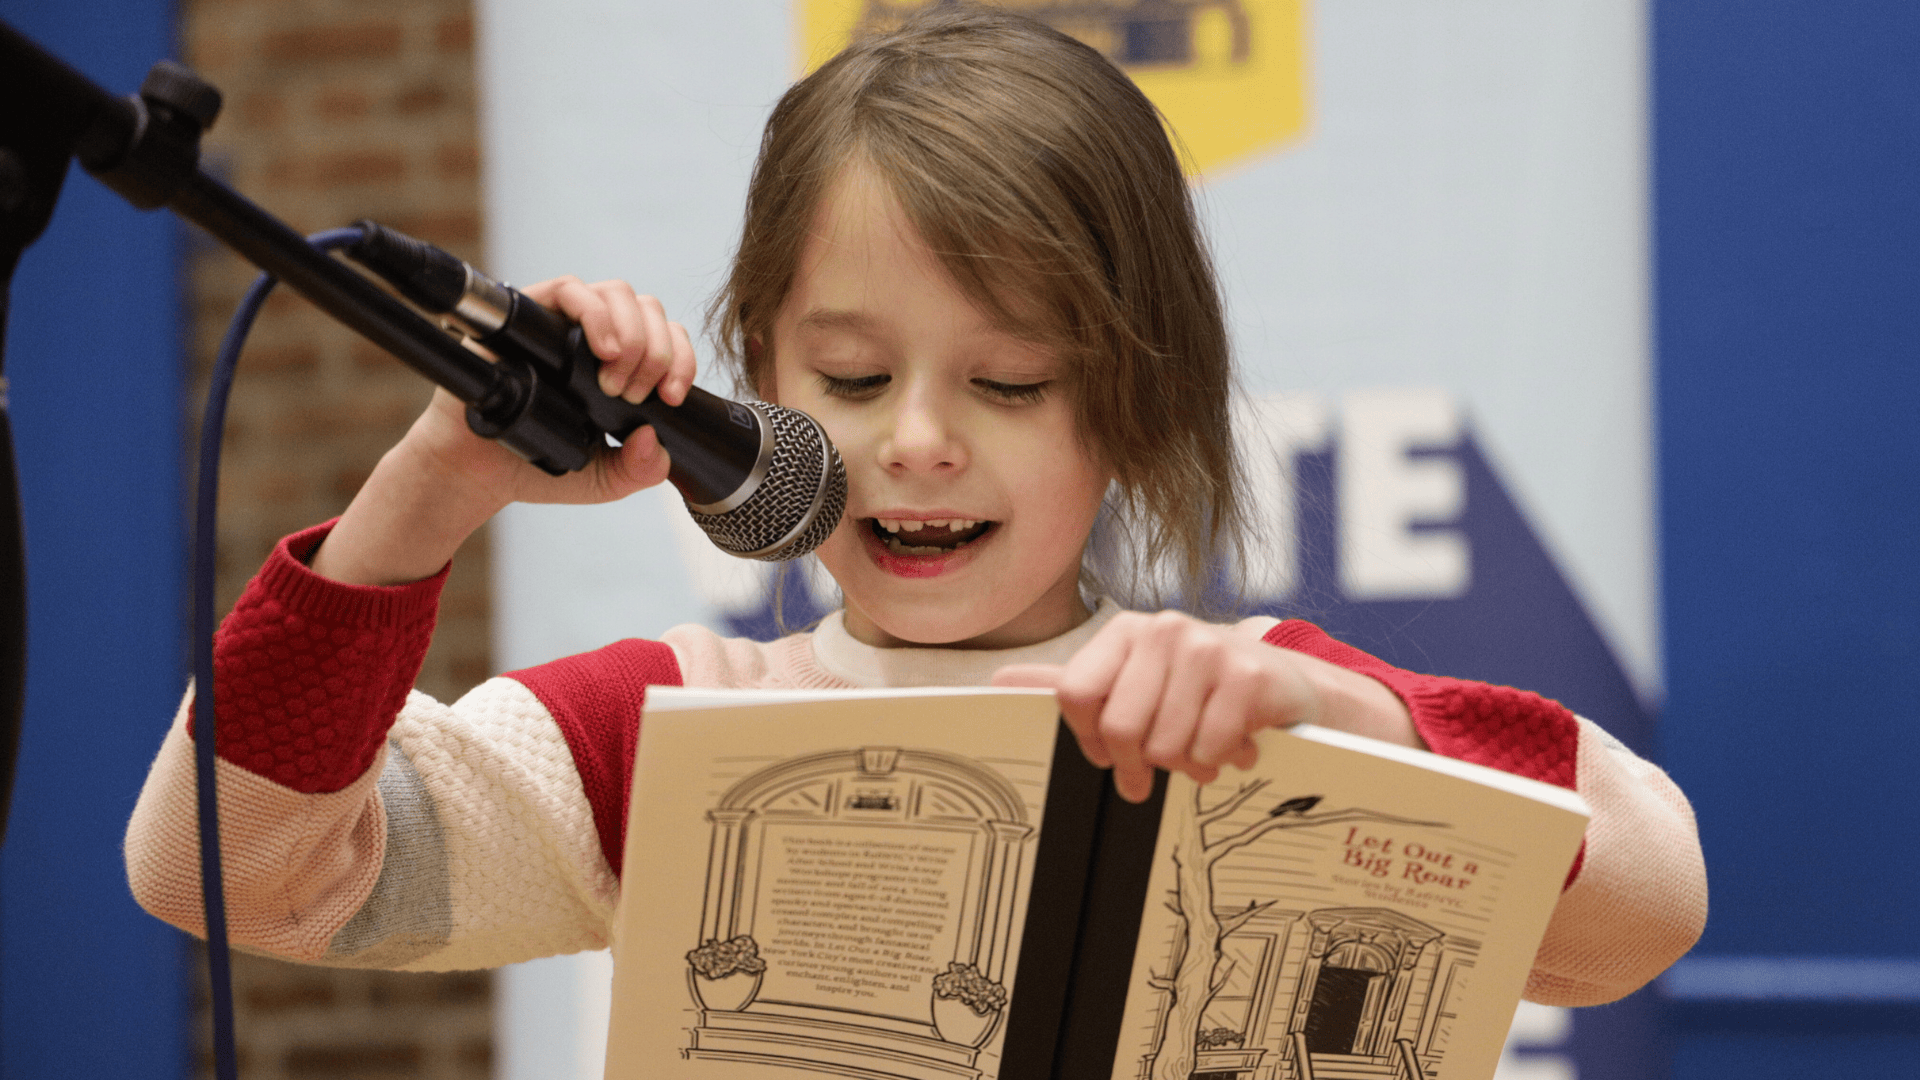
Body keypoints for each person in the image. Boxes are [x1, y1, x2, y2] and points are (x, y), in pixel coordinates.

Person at [126, 6, 1703, 1006]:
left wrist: (1337, 717)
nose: (922, 447)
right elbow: (224, 870)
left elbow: (1645, 904)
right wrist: (433, 488)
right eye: (854, 379)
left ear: (1133, 397)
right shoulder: (671, 722)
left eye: (1011, 385)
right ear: (757, 379)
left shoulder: (1251, 703)